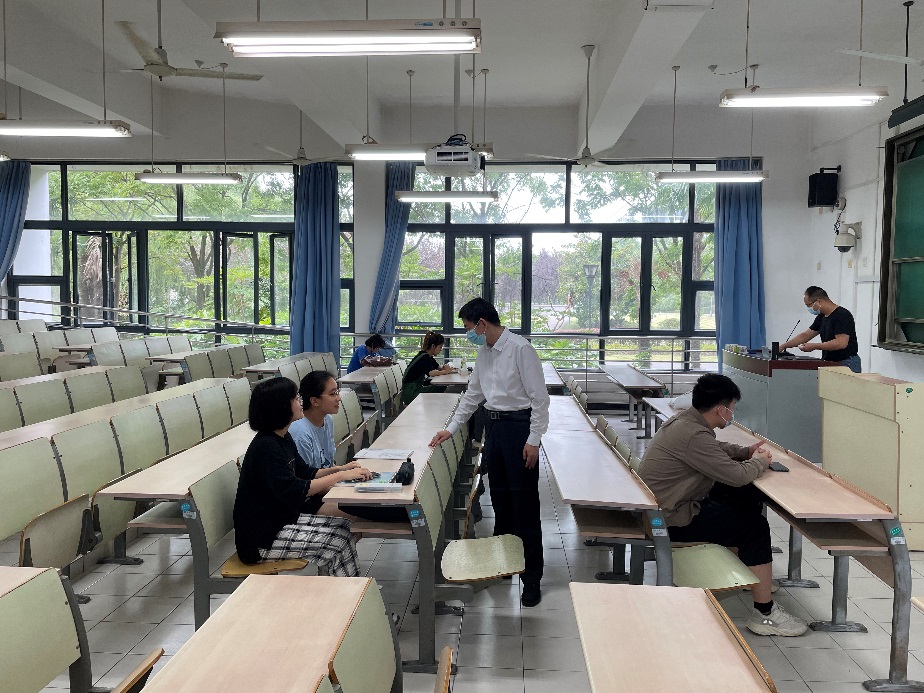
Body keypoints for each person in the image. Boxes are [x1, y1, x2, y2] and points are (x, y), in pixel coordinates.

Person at [638, 373, 808, 637]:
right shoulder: (693, 434)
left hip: (664, 508)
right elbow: (738, 475)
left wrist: (745, 452)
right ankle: (765, 614)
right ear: (721, 409)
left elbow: (714, 448)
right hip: (670, 520)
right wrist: (760, 462)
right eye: (732, 408)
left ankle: (749, 572)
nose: (732, 414)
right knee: (754, 526)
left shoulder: (685, 422)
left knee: (745, 496)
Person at [429, 298, 550, 607]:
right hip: (494, 428)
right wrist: (450, 428)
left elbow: (540, 399)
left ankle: (532, 578)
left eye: (469, 327)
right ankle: (505, 562)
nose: (468, 333)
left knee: (524, 505)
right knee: (501, 501)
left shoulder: (521, 349)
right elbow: (473, 395)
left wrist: (534, 439)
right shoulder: (484, 352)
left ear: (482, 324)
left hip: (519, 430)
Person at [232, 377, 376, 575]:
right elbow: (296, 490)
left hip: (281, 521)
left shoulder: (282, 436)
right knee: (338, 542)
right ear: (280, 407)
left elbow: (307, 472)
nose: (300, 401)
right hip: (262, 538)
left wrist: (341, 469)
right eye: (295, 398)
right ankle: (345, 591)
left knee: (347, 526)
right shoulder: (266, 447)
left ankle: (337, 587)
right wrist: (341, 476)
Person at [778, 286, 860, 373]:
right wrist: (783, 346)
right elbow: (806, 335)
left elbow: (841, 343)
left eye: (809, 305)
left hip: (846, 363)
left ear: (819, 301)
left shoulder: (842, 315)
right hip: (829, 362)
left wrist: (814, 346)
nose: (809, 308)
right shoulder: (822, 316)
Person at [401, 331, 456, 405]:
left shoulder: (427, 355)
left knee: (440, 386)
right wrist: (445, 371)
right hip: (411, 393)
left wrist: (445, 367)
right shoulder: (424, 357)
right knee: (442, 387)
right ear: (433, 346)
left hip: (412, 389)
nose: (441, 350)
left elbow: (438, 367)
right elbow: (431, 373)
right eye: (440, 347)